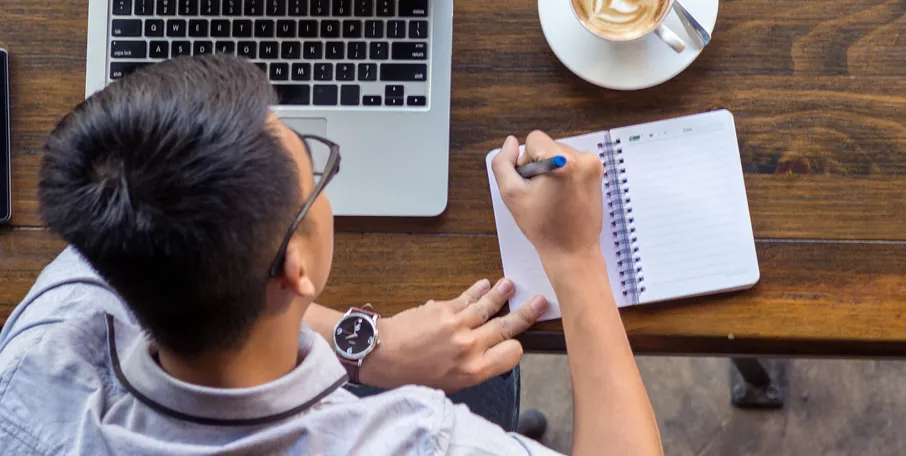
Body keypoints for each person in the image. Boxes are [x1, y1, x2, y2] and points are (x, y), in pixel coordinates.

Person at [0, 54, 662, 455]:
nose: (321, 170)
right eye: (316, 169)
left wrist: (367, 346)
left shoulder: (38, 356)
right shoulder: (414, 440)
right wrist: (573, 258)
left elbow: (120, 270)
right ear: (296, 271)